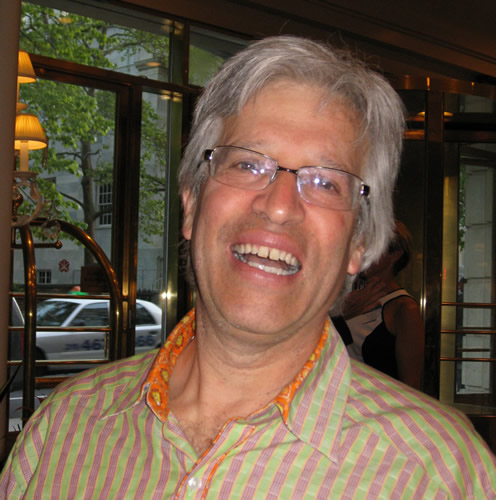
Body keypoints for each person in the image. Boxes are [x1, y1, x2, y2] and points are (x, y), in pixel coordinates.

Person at [1, 36, 495, 498]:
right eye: (247, 163)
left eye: (325, 182)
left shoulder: (440, 474)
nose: (278, 206)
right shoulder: (64, 427)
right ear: (191, 205)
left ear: (358, 244)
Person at [334, 221, 425, 389]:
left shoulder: (404, 308)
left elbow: (411, 384)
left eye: (372, 247)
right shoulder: (353, 299)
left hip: (377, 400)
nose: (363, 254)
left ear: (395, 254)